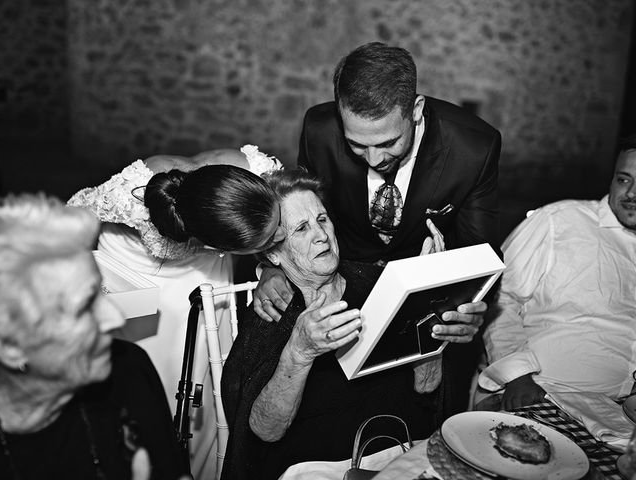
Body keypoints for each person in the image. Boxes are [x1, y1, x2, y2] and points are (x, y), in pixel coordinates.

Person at [254, 41, 499, 413]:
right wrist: (273, 266)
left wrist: (467, 307)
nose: (374, 160)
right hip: (341, 291)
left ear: (415, 111)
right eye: (356, 145)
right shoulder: (319, 129)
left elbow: (478, 252)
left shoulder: (473, 147)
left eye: (388, 143)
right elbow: (296, 210)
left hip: (419, 306)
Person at [220, 169, 484, 480]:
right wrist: (299, 352)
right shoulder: (272, 314)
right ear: (272, 255)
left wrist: (430, 308)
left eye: (322, 219)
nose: (321, 235)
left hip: (399, 449)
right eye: (301, 228)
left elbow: (425, 387)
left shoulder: (381, 285)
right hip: (316, 469)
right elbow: (265, 431)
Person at [67, 145, 283, 479]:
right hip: (134, 264)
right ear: (218, 249)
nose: (279, 238)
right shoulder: (133, 195)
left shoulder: (252, 170)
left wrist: (271, 265)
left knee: (207, 373)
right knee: (152, 378)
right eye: (267, 242)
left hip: (203, 272)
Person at [0, 193, 187, 479]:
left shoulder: (128, 369)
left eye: (101, 291)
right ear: (11, 347)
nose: (116, 318)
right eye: (85, 306)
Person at [478, 134, 636, 410]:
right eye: (624, 179)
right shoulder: (560, 221)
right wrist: (518, 377)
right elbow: (500, 298)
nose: (631, 193)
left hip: (621, 420)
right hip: (546, 396)